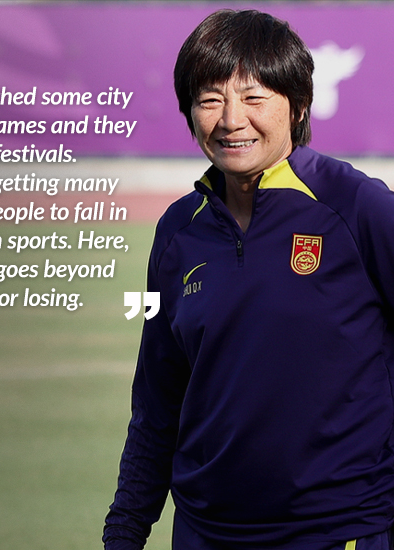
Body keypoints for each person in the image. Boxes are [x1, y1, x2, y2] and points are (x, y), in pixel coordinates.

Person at [103, 8, 394, 550]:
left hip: (338, 533)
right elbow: (157, 404)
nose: (231, 119)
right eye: (210, 99)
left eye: (254, 97)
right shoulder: (177, 233)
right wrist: (124, 532)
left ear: (298, 105)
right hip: (204, 534)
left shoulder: (358, 208)